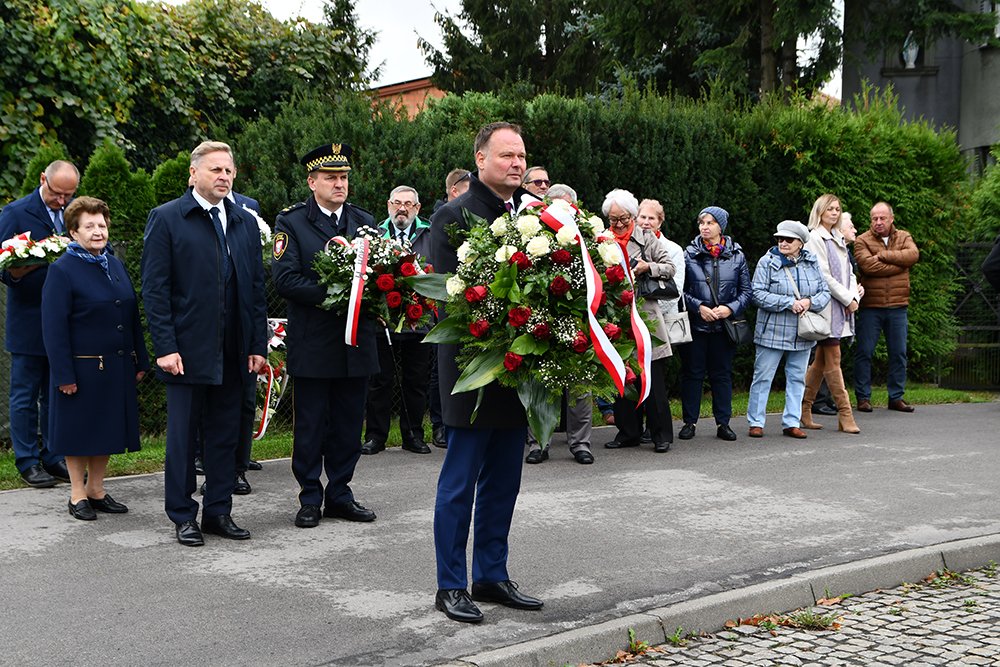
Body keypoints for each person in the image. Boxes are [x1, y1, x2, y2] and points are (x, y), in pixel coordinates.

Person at [429, 121, 543, 624]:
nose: (516, 164)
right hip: (472, 371)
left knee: (504, 482)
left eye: (521, 157)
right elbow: (444, 299)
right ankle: (450, 584)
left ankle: (491, 574)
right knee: (460, 483)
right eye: (506, 156)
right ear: (480, 160)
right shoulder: (452, 216)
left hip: (518, 370)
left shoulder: (537, 218)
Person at [142, 141, 268, 546]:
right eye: (215, 170)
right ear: (193, 174)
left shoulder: (245, 223)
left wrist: (256, 344)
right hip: (187, 350)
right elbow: (155, 290)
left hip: (234, 351)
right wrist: (165, 346)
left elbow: (255, 289)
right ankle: (182, 515)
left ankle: (218, 511)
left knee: (224, 435)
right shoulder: (167, 219)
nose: (224, 177)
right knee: (182, 438)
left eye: (228, 171)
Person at [271, 142, 380, 529]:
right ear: (311, 180)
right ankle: (309, 497)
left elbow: (381, 276)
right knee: (312, 424)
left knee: (350, 423)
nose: (340, 183)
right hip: (316, 340)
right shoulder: (292, 222)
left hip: (356, 343)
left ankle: (340, 492)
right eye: (331, 177)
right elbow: (286, 280)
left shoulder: (364, 221)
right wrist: (338, 296)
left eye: (344, 177)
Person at [41, 197, 149, 519]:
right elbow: (53, 328)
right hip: (80, 369)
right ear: (74, 232)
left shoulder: (113, 264)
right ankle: (77, 495)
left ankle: (96, 489)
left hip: (115, 367)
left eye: (102, 225)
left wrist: (139, 360)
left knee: (106, 429)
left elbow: (130, 315)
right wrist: (63, 375)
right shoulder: (62, 270)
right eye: (89, 226)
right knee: (79, 432)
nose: (98, 231)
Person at [0, 160, 78, 488]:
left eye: (68, 195)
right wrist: (30, 263)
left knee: (56, 393)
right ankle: (27, 460)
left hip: (67, 320)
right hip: (30, 318)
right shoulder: (15, 212)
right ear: (42, 178)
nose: (62, 202)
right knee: (24, 394)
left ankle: (53, 455)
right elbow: (4, 266)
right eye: (57, 194)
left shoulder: (77, 211)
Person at [603, 189, 676, 453]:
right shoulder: (603, 238)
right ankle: (628, 432)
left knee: (653, 377)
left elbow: (670, 267)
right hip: (617, 316)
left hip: (646, 317)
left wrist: (648, 267)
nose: (619, 224)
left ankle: (661, 435)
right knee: (624, 376)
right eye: (613, 220)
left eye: (623, 218)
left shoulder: (647, 238)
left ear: (632, 215)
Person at [363, 185, 433, 455]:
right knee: (379, 381)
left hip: (420, 321)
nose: (401, 208)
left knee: (416, 382)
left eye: (408, 204)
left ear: (417, 209)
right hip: (383, 321)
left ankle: (414, 435)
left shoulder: (428, 233)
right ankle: (376, 436)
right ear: (388, 205)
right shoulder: (376, 234)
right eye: (396, 203)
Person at [746, 220, 830, 439]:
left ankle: (791, 422)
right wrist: (788, 303)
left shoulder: (812, 262)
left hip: (802, 334)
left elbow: (825, 293)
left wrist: (809, 302)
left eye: (788, 239)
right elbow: (757, 294)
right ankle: (756, 422)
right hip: (771, 332)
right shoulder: (767, 262)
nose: (782, 242)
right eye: (780, 239)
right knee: (763, 378)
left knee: (797, 378)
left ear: (800, 243)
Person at [677, 206, 752, 442]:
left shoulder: (737, 255)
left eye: (710, 223)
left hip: (724, 328)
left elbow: (747, 292)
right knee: (693, 374)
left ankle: (724, 423)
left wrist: (730, 308)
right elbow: (680, 290)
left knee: (722, 375)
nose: (704, 227)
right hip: (697, 326)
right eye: (701, 222)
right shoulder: (688, 254)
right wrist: (698, 306)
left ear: (721, 227)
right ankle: (689, 422)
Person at [800, 195, 863, 434]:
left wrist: (853, 297)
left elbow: (849, 272)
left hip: (841, 308)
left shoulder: (837, 237)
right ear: (820, 210)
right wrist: (848, 299)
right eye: (830, 209)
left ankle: (804, 410)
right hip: (826, 308)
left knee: (821, 362)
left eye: (838, 209)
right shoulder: (815, 237)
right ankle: (845, 414)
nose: (835, 213)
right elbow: (823, 275)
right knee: (832, 359)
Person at [853, 202, 920, 413]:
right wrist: (900, 264)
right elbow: (867, 267)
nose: (878, 222)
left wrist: (883, 255)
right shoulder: (861, 240)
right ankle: (863, 397)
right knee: (864, 352)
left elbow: (913, 256)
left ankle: (896, 397)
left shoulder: (904, 236)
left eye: (882, 218)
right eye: (874, 218)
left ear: (891, 218)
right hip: (870, 306)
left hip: (898, 306)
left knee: (899, 353)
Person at [430, 168, 471, 446]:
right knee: (441, 370)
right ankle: (441, 423)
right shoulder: (445, 218)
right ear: (454, 190)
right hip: (447, 309)